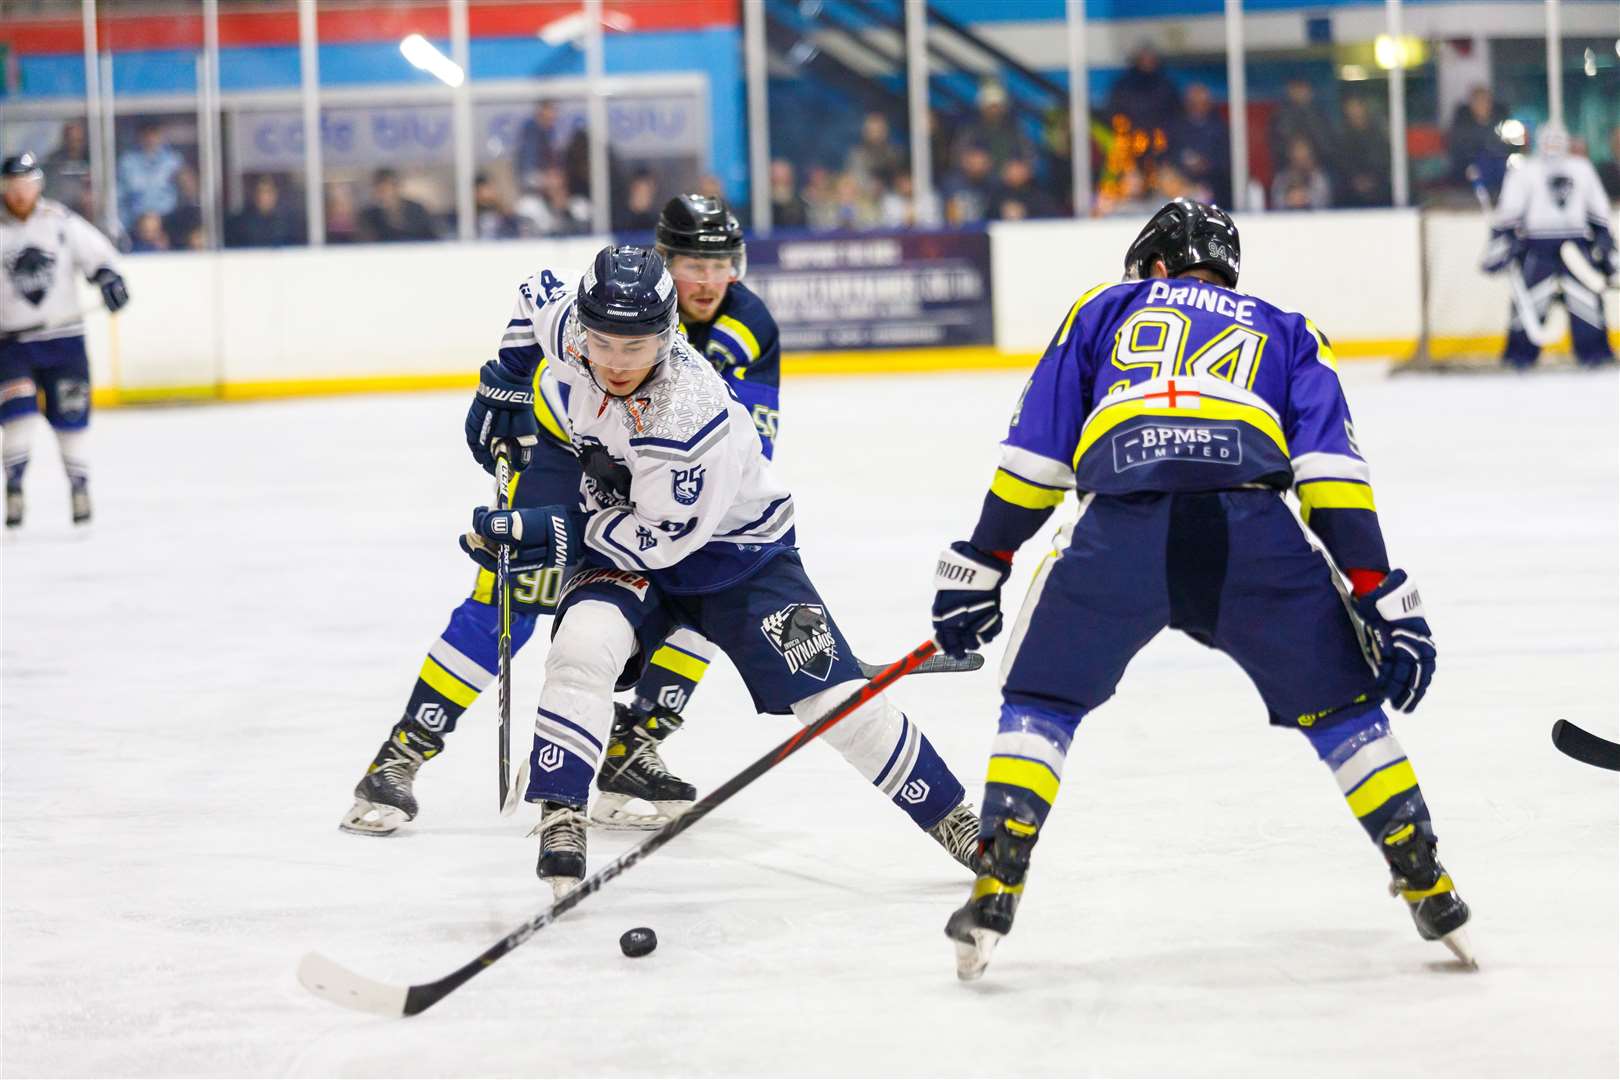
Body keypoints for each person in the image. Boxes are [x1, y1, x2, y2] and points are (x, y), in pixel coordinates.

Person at [931, 197, 1469, 981]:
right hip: (1251, 530)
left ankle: (1001, 871)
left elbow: (1038, 457)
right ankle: (1422, 867)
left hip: (1123, 525)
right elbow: (1331, 476)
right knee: (1344, 707)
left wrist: (985, 559)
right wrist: (1378, 587)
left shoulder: (1105, 306)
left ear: (1153, 264)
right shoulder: (1286, 326)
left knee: (1041, 698)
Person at [460, 242, 981, 895]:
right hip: (628, 528)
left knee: (834, 700)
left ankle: (955, 818)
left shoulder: (690, 411)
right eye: (603, 342)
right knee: (581, 648)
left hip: (737, 554)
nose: (616, 363)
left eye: (636, 347)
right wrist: (507, 377)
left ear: (668, 331)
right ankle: (563, 812)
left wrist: (551, 532)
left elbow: (658, 540)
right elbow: (534, 292)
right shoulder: (575, 328)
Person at [340, 194, 784, 835]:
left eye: (721, 264)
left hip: (660, 485)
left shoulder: (750, 325)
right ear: (663, 262)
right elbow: (535, 299)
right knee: (513, 600)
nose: (710, 280)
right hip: (564, 456)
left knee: (707, 589)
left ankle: (633, 746)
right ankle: (401, 756)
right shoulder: (604, 308)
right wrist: (507, 381)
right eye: (693, 262)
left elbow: (751, 447)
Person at [1, 153, 130, 528]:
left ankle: (79, 485)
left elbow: (100, 257)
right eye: (12, 187)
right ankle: (13, 489)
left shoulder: (59, 222)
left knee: (70, 420)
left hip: (64, 342)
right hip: (11, 346)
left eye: (26, 185)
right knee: (17, 417)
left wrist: (109, 279)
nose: (19, 194)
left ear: (38, 185)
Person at [1481, 122, 1614, 368]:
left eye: (1557, 141)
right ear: (1539, 143)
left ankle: (1594, 353)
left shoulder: (1581, 169)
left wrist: (1607, 247)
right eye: (1548, 141)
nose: (1553, 147)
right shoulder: (1526, 170)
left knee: (1586, 301)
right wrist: (1499, 246)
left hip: (1576, 245)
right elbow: (1509, 213)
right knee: (1529, 302)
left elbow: (1598, 211)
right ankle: (1519, 356)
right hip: (1537, 245)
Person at [1165, 83, 1230, 209]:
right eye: (1194, 102)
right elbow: (1170, 155)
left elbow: (1225, 158)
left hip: (1214, 182)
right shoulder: (1176, 128)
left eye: (1202, 102)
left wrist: (1207, 164)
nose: (1198, 106)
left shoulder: (1219, 128)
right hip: (1182, 181)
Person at [116, 120, 182, 233]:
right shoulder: (127, 161)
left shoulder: (173, 160)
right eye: (146, 134)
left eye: (155, 134)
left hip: (168, 222)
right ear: (139, 137)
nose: (150, 138)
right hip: (134, 223)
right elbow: (119, 196)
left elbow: (187, 191)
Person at [1104, 43, 1182, 139]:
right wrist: (1127, 133)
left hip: (1161, 141)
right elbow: (1114, 112)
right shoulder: (1123, 86)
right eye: (1143, 58)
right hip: (1129, 141)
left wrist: (1163, 135)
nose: (1147, 62)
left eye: (1151, 59)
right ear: (1137, 60)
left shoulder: (1167, 86)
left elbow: (1175, 114)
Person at [1447, 86, 1513, 192]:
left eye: (1485, 101)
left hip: (1499, 163)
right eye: (1477, 101)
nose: (1482, 105)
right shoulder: (1462, 124)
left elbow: (1508, 145)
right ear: (1471, 104)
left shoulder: (1500, 121)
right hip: (1472, 165)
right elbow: (1459, 149)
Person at [1334, 96, 1391, 208]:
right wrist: (1356, 179)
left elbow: (1384, 159)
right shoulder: (1343, 137)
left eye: (1356, 107)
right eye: (1350, 108)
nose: (1354, 112)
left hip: (1380, 186)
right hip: (1351, 189)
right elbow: (1342, 161)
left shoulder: (1378, 134)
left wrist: (1373, 179)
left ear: (1364, 108)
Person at [358, 168, 438, 243]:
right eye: (379, 190)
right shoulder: (369, 216)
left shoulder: (417, 210)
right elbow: (367, 242)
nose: (384, 194)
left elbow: (433, 237)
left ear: (396, 188)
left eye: (386, 189)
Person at [226, 174, 305, 248]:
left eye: (268, 192)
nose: (264, 196)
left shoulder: (286, 224)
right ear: (254, 194)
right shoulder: (240, 224)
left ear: (275, 194)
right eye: (260, 191)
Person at [1269, 136, 1332, 211]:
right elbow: (1276, 202)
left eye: (1304, 155)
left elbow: (1324, 201)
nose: (1300, 158)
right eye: (1297, 154)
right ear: (1291, 155)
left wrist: (1306, 197)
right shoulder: (1281, 178)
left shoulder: (1318, 177)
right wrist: (1289, 199)